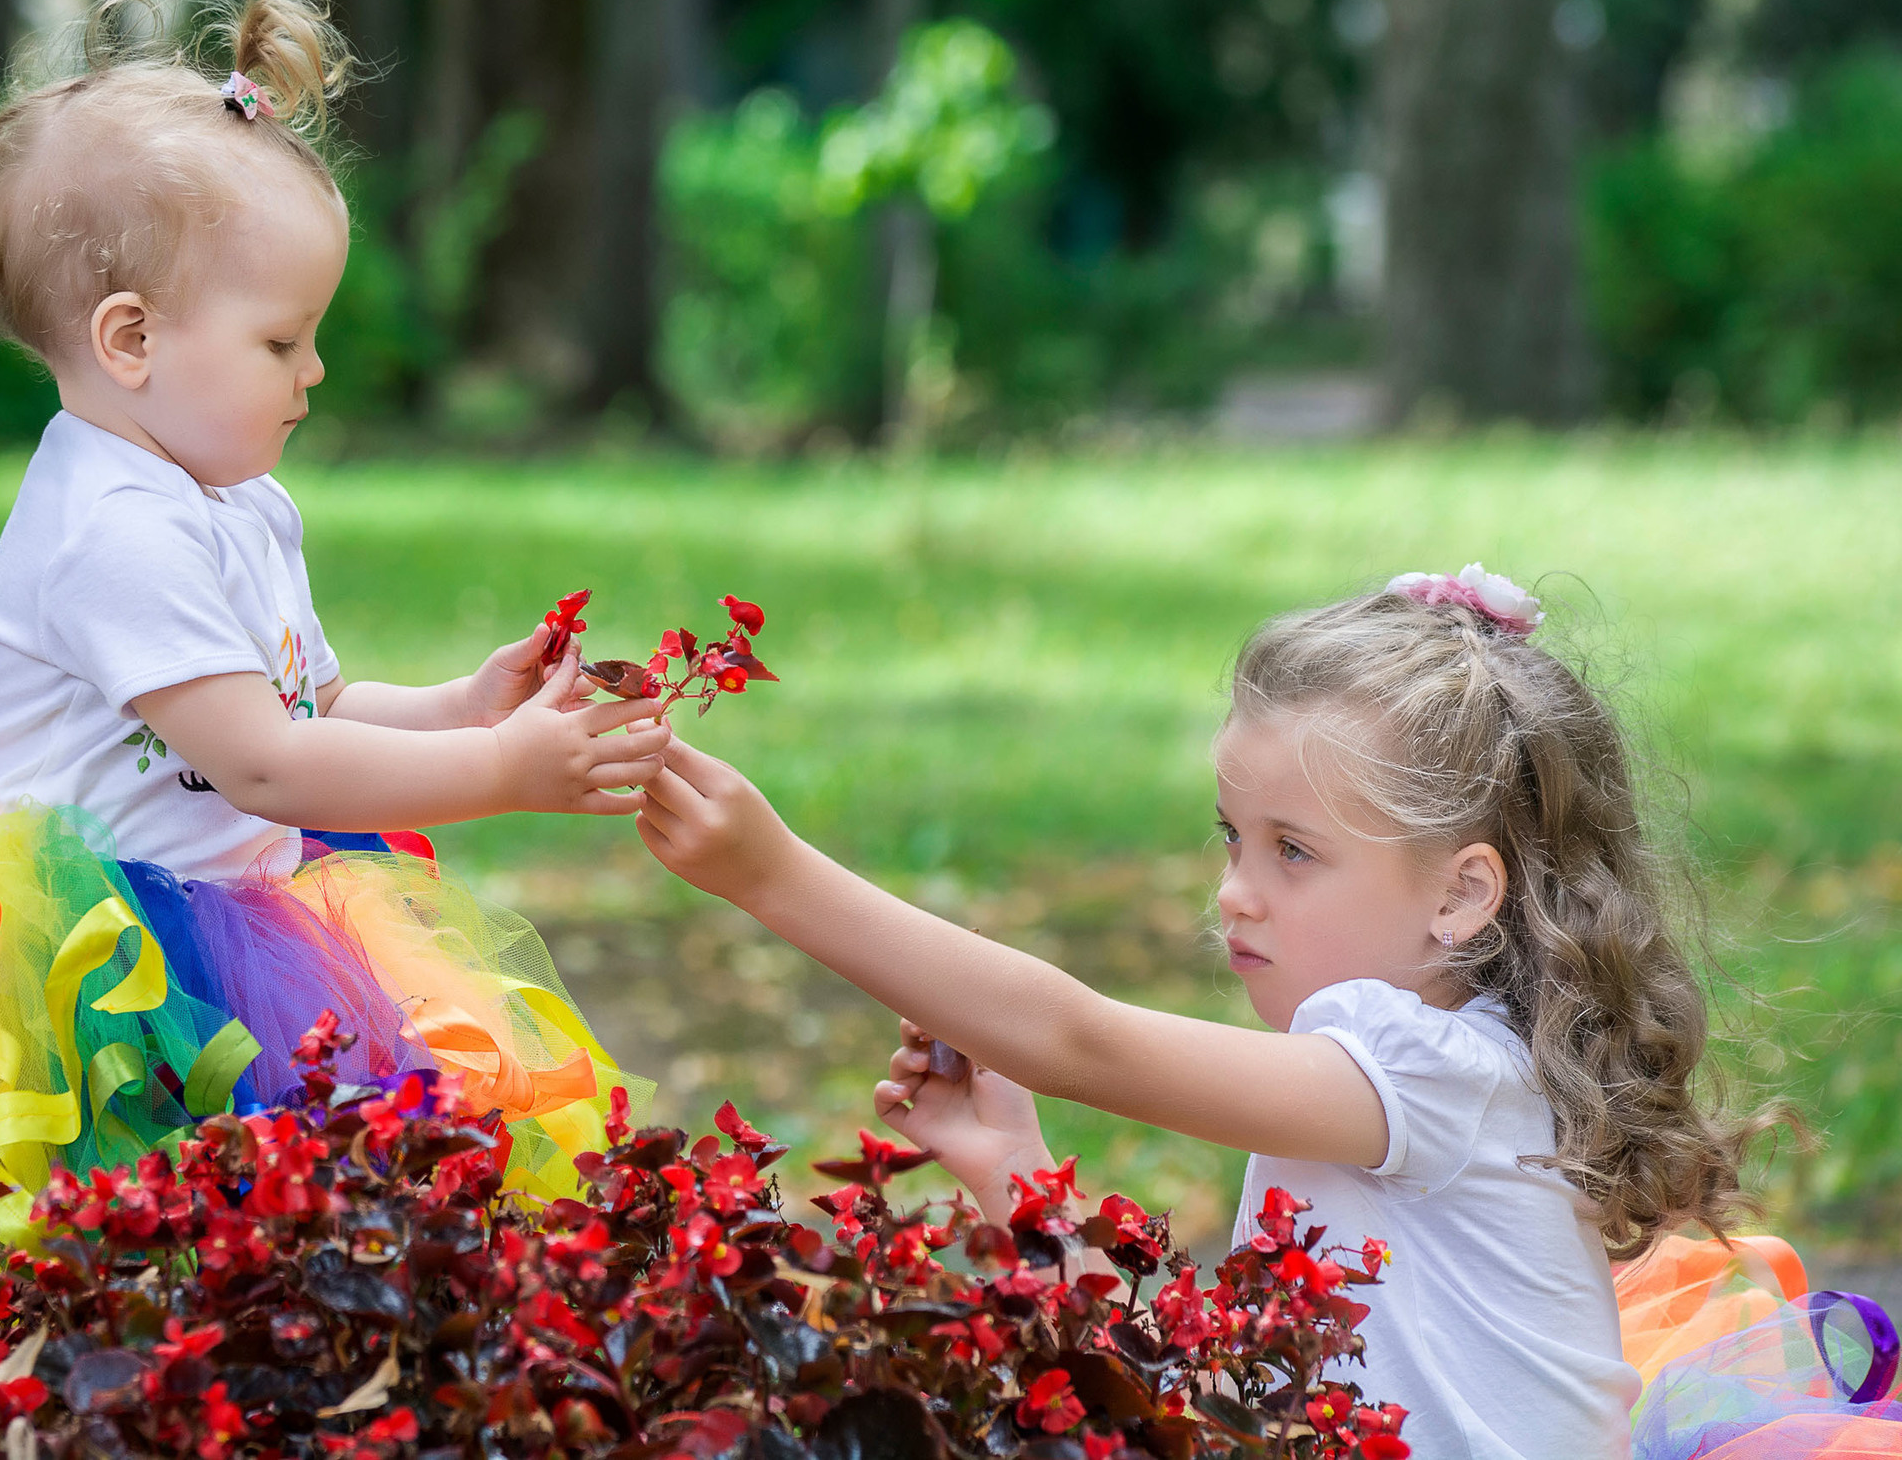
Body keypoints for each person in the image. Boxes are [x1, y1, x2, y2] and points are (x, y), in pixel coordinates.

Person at [0, 0, 662, 1229]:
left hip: (232, 919)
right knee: (86, 1221)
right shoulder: (112, 531)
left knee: (268, 1216)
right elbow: (268, 767)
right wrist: (503, 774)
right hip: (80, 962)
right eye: (280, 342)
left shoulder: (234, 498)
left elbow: (307, 703)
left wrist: (464, 710)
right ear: (130, 338)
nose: (313, 372)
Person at [634, 565, 1790, 1460]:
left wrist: (770, 874)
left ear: (1459, 894)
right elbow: (1214, 1391)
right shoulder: (1372, 1089)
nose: (1236, 890)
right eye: (1234, 837)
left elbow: (1078, 1038)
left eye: (1295, 851)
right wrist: (1016, 1173)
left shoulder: (1433, 1076)